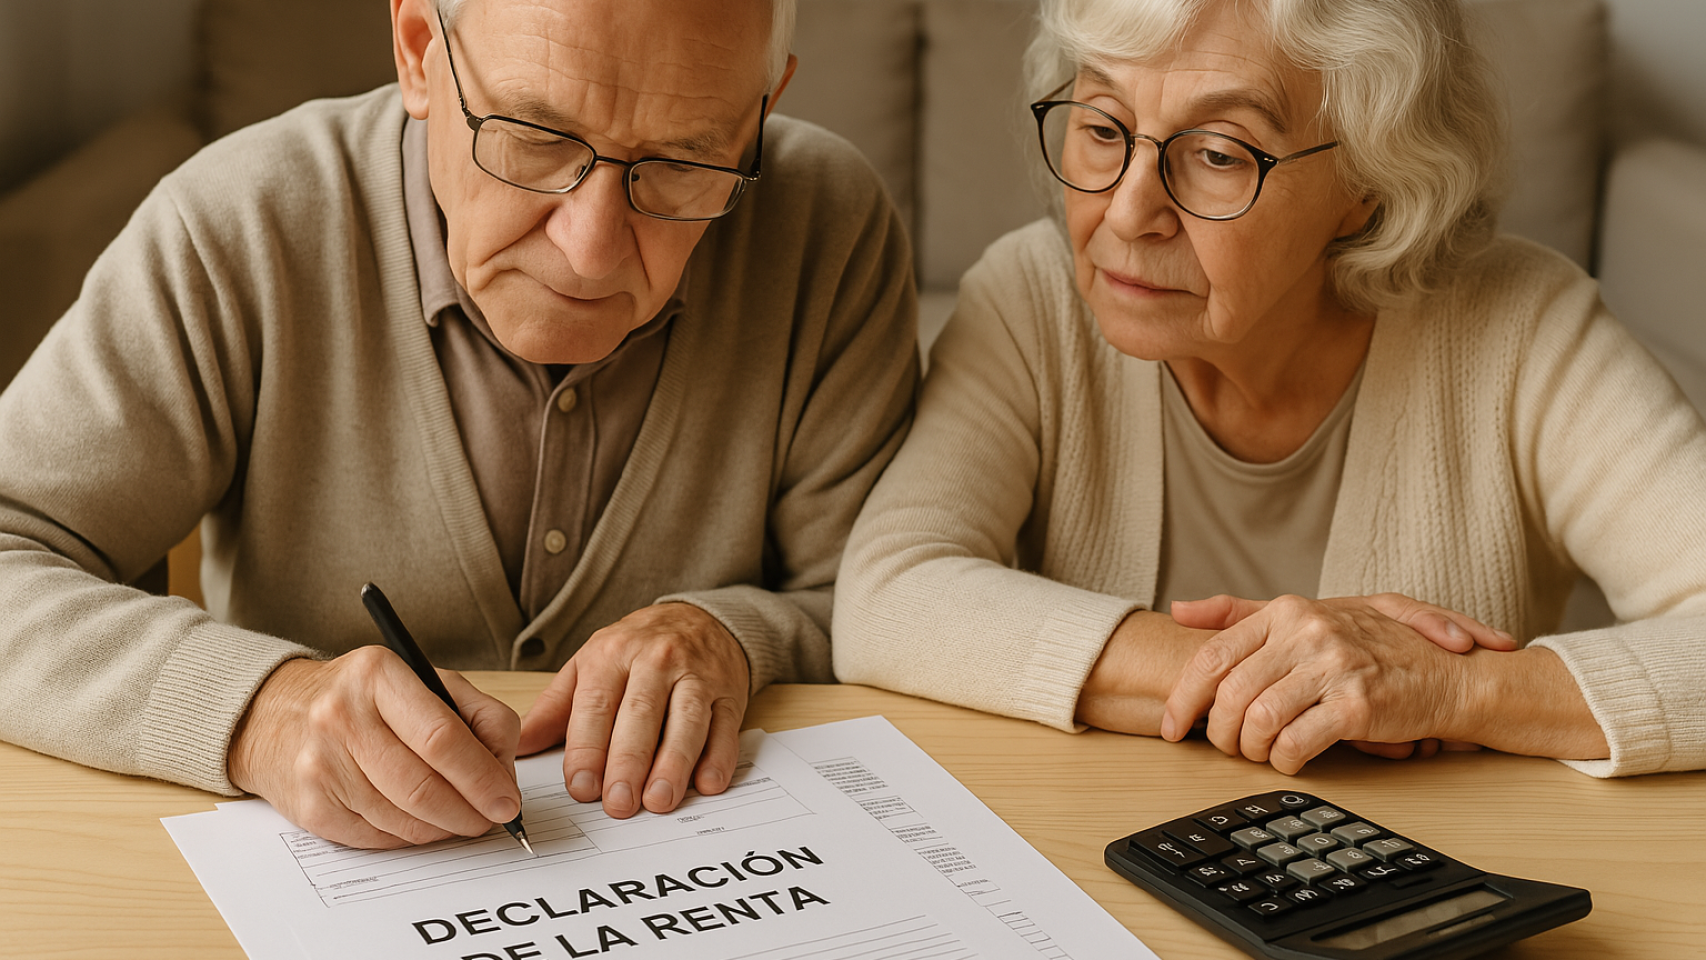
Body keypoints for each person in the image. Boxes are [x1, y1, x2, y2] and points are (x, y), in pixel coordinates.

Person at [0, 0, 917, 849]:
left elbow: (889, 606)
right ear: (419, 52)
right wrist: (261, 711)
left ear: (760, 112)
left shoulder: (830, 227)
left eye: (682, 163)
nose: (591, 249)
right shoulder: (240, 223)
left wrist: (731, 635)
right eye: (534, 137)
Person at [833, 0, 1706, 778]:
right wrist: (1287, 678)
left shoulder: (1523, 330)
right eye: (1102, 128)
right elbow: (889, 598)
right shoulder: (1030, 300)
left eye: (1217, 153)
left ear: (1368, 185)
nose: (1131, 209)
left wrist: (1447, 690)